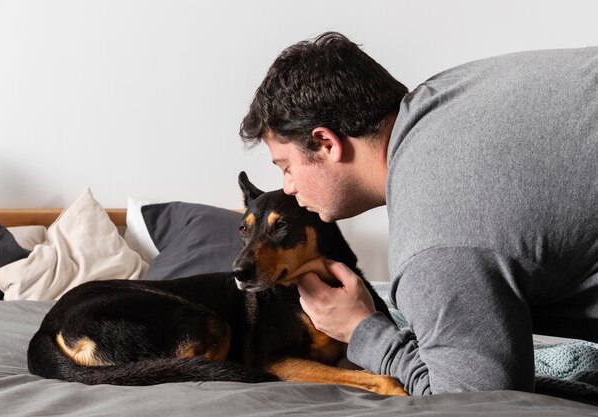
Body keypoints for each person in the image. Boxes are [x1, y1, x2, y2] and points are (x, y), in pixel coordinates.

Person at [238, 32, 598, 395]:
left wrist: (365, 330)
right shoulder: (454, 86)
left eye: (286, 167)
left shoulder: (435, 240)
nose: (287, 188)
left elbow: (474, 403)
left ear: (326, 144)